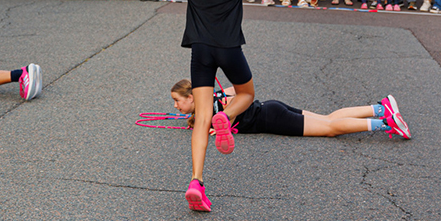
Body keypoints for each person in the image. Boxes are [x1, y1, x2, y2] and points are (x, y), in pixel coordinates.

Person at [161, 0, 274, 212]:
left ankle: (196, 181)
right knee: (247, 93)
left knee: (201, 119)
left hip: (200, 50)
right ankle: (226, 115)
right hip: (229, 47)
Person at [170, 81, 410, 139]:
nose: (175, 106)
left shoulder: (208, 114)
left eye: (177, 101)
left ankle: (388, 123)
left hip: (271, 118)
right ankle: (379, 108)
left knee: (329, 129)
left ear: (191, 98)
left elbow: (215, 125)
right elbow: (239, 90)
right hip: (271, 107)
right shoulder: (211, 102)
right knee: (328, 119)